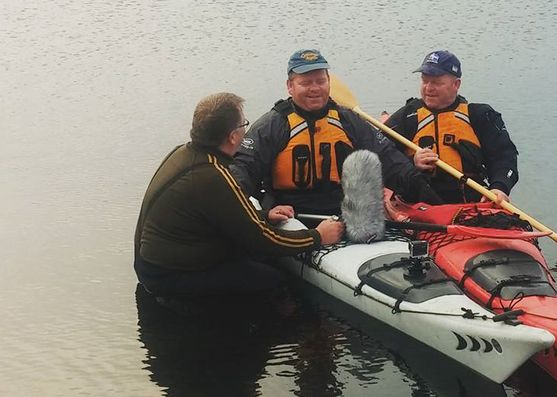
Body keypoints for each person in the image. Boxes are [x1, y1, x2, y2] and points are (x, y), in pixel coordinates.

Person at [134, 92, 344, 298]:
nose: (246, 129)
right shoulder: (214, 176)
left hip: (150, 264)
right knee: (270, 279)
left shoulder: (183, 153)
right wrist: (317, 237)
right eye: (244, 124)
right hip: (169, 277)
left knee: (251, 258)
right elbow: (263, 240)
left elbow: (226, 216)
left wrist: (266, 216)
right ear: (233, 137)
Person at [231, 49, 442, 216]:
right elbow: (243, 168)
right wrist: (262, 214)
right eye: (305, 83)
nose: (315, 88)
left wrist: (430, 199)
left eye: (321, 81)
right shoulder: (273, 124)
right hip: (291, 212)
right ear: (290, 86)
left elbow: (389, 160)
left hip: (341, 210)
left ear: (329, 83)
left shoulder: (348, 120)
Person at [384, 50, 519, 204]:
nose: (428, 88)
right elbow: (379, 158)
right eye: (424, 81)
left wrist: (500, 187)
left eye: (436, 82)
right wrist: (410, 163)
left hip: (468, 201)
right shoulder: (407, 116)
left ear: (456, 84)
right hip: (417, 201)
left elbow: (504, 157)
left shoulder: (479, 116)